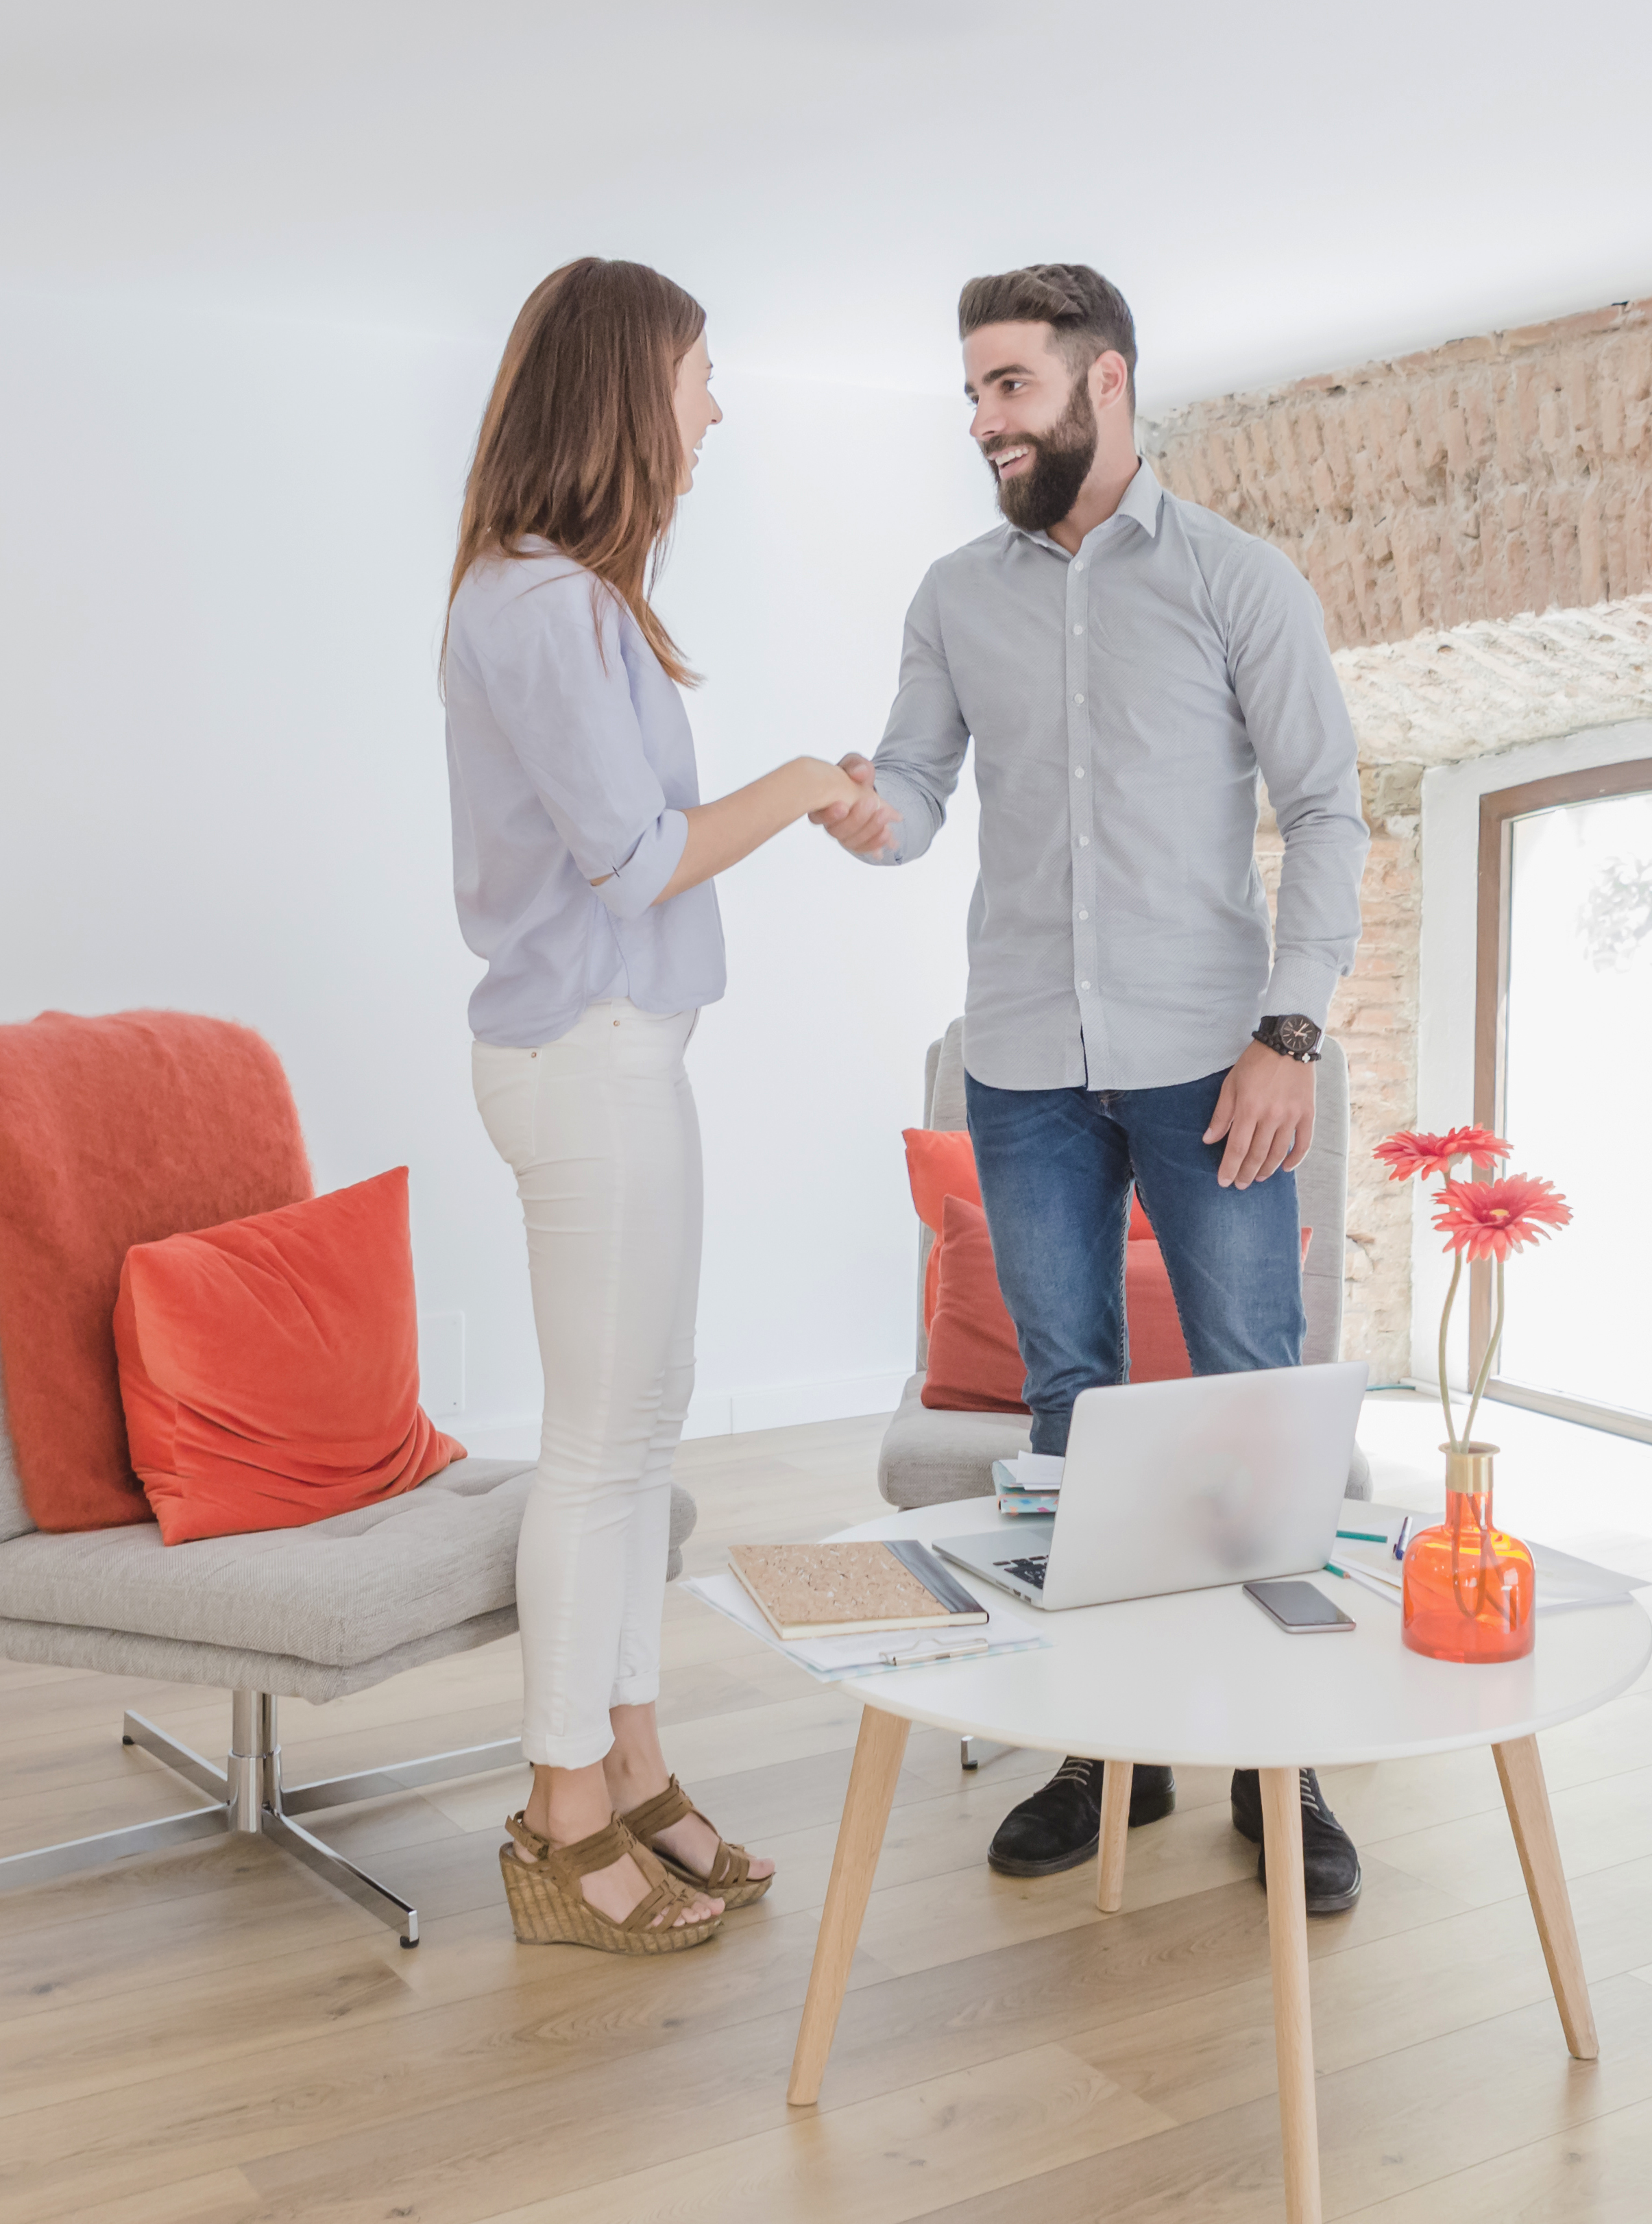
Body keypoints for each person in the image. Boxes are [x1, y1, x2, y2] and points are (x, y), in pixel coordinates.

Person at [821, 262, 1372, 1912]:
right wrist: (873, 817)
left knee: (1249, 1409)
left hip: (1215, 1067)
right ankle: (1102, 1757)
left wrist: (1290, 1037)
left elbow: (1329, 810)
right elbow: (917, 787)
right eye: (975, 394)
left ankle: (1285, 1769)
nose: (986, 423)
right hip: (1026, 1072)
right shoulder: (955, 595)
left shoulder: (1236, 581)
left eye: (1010, 388)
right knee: (1068, 1420)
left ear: (1104, 384)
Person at [444, 257, 895, 1955]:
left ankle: (631, 1764)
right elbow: (635, 865)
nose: (717, 410)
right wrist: (799, 785)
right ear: (631, 390)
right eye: (703, 376)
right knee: (599, 1447)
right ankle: (561, 1811)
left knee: (639, 1435)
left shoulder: (571, 597)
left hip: (624, 1053)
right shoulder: (539, 603)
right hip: (587, 1051)